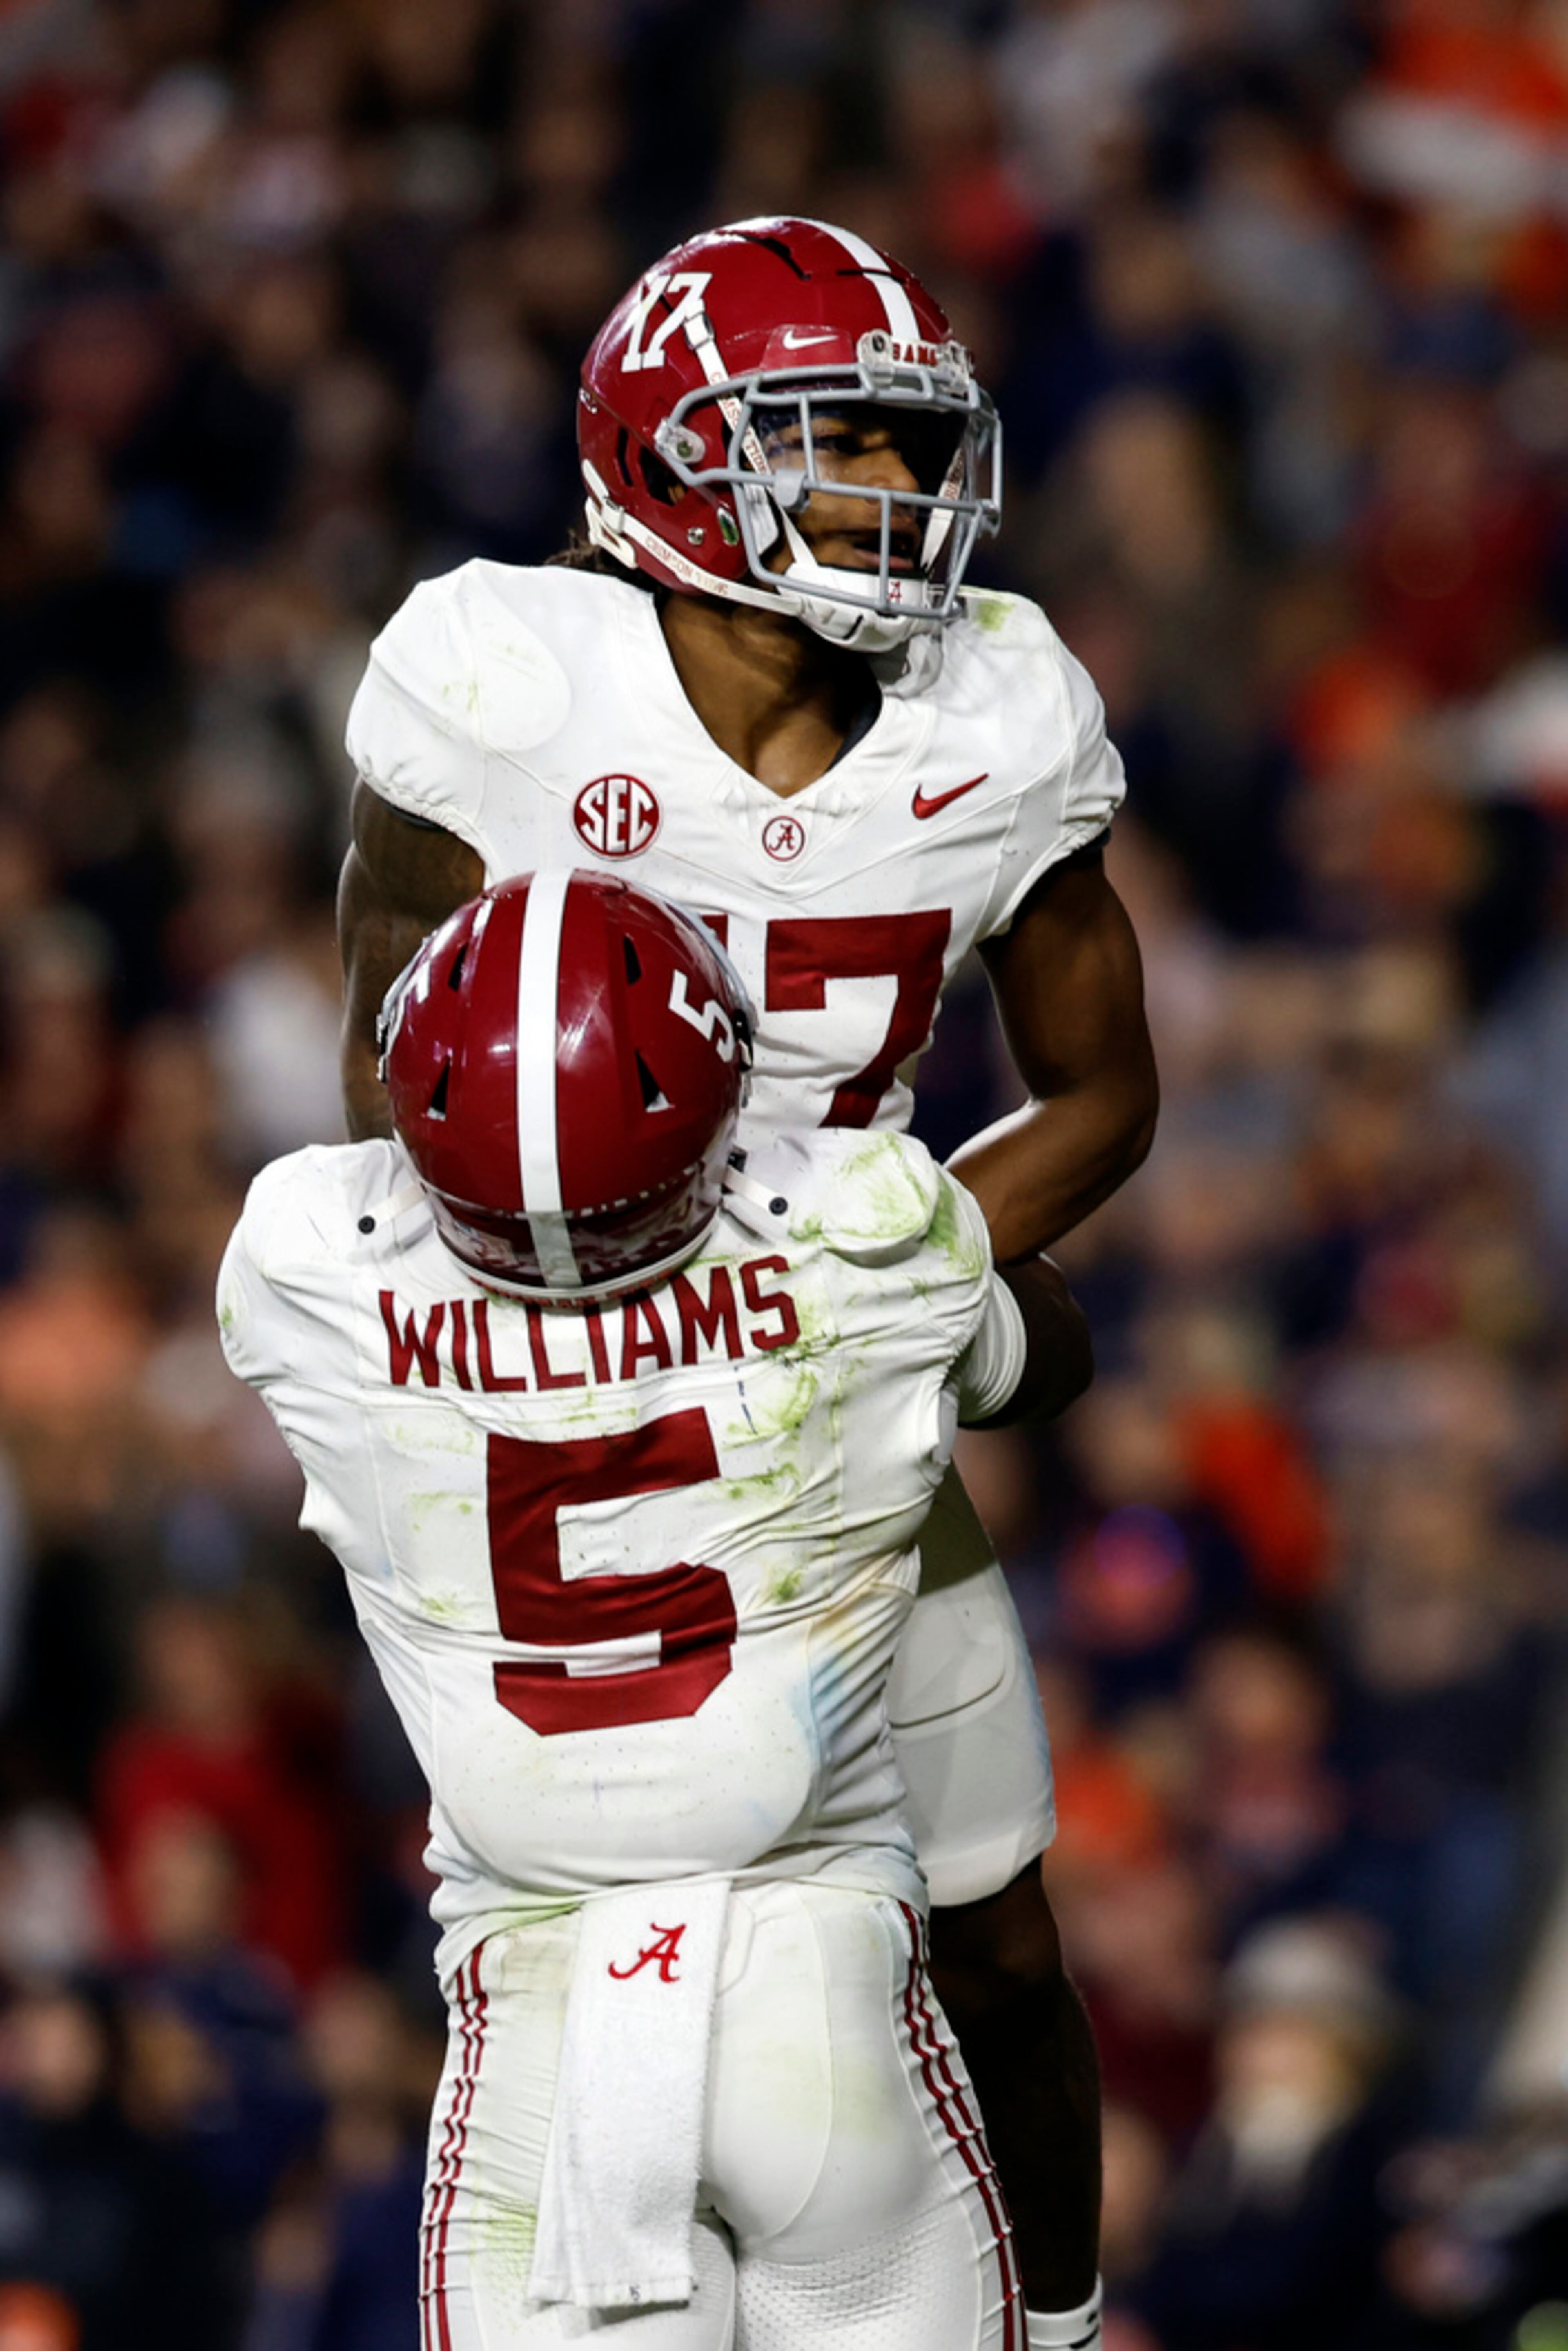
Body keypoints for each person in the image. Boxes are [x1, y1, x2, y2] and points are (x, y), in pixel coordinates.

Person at [336, 214, 1159, 2336]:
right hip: (571, 1350)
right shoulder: (508, 675)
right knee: (552, 1893)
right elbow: (385, 1075)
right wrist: (600, 1285)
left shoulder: (996, 700)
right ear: (672, 469)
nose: (898, 498)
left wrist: (900, 1274)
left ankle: (1048, 2323)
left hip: (831, 1388)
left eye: (905, 446)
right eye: (838, 447)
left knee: (992, 1933)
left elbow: (1101, 1083)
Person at [220, 869, 1096, 2350]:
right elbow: (1043, 1360)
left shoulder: (311, 1270)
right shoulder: (860, 1246)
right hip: (817, 1978)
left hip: (543, 2027)